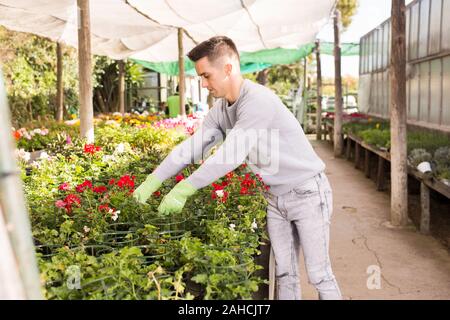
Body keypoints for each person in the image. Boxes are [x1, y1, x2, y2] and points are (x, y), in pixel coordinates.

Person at [132, 36, 342, 300]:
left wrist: (185, 188)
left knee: (319, 275)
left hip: (307, 193)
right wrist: (153, 181)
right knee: (285, 275)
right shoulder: (221, 110)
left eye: (207, 76)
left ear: (228, 68)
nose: (204, 84)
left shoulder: (257, 101)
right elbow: (192, 147)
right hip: (274, 198)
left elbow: (232, 153)